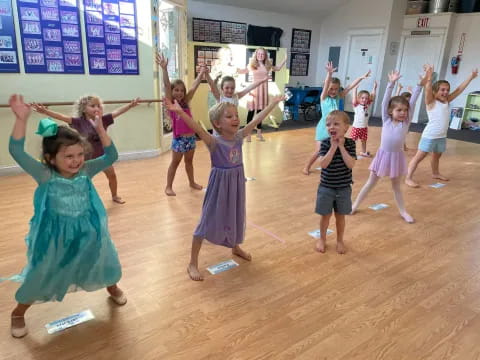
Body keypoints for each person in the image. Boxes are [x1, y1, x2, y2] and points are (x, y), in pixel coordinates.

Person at [4, 94, 125, 338]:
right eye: (68, 156)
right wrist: (21, 120)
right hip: (55, 237)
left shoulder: (86, 170)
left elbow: (111, 157)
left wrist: (100, 129)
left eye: (80, 155)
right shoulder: (44, 174)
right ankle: (18, 312)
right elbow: (15, 150)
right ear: (50, 158)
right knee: (43, 273)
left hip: (89, 231)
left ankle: (111, 286)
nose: (76, 161)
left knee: (102, 260)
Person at [164, 95, 284, 281]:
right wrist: (180, 112)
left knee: (236, 215)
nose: (235, 118)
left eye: (235, 115)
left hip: (236, 183)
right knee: (205, 221)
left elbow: (256, 119)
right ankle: (192, 263)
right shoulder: (214, 141)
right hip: (219, 186)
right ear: (217, 124)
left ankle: (235, 247)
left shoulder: (239, 136)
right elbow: (196, 128)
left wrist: (273, 104)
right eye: (229, 116)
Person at [351, 68, 428, 223]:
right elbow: (385, 101)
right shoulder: (386, 120)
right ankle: (354, 206)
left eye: (405, 110)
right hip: (382, 155)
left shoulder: (406, 123)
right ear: (390, 111)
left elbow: (412, 103)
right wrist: (391, 84)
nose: (403, 113)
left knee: (396, 187)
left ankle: (403, 211)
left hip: (396, 157)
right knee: (370, 183)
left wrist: (419, 86)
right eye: (399, 110)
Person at [31, 95, 139, 204]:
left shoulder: (104, 120)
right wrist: (45, 111)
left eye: (99, 106)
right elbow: (61, 116)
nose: (97, 108)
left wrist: (130, 105)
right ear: (83, 109)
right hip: (85, 159)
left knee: (112, 175)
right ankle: (81, 199)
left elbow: (117, 112)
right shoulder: (78, 122)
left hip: (103, 156)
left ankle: (115, 195)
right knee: (83, 181)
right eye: (92, 106)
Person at [405, 66, 478, 187]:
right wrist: (428, 79)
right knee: (419, 157)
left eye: (447, 90)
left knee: (437, 155)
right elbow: (427, 91)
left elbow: (459, 89)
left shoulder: (446, 101)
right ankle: (408, 177)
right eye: (442, 90)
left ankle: (435, 173)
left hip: (441, 136)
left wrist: (471, 77)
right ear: (435, 91)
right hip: (429, 136)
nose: (445, 92)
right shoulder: (431, 102)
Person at [302, 62, 370, 174]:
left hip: (335, 128)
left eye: (336, 89)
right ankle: (307, 166)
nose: (334, 91)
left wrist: (361, 78)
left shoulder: (338, 97)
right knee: (319, 151)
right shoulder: (324, 98)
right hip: (324, 128)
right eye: (331, 89)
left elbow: (349, 87)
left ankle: (333, 169)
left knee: (335, 148)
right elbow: (326, 85)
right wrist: (329, 74)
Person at [156, 53, 204, 196]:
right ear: (172, 91)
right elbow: (166, 84)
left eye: (182, 90)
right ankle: (168, 186)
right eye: (176, 90)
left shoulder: (185, 103)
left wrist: (201, 73)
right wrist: (164, 69)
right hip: (179, 140)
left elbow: (194, 87)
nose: (180, 93)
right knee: (175, 163)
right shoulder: (171, 103)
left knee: (189, 162)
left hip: (191, 139)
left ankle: (191, 182)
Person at [314, 110, 356, 254]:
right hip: (326, 187)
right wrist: (333, 147)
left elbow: (351, 164)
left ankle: (339, 240)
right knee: (325, 216)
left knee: (340, 216)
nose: (331, 127)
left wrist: (341, 147)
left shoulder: (350, 143)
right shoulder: (325, 143)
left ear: (346, 127)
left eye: (336, 124)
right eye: (328, 125)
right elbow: (323, 164)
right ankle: (322, 239)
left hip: (343, 188)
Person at [238, 48, 287, 141]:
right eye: (259, 54)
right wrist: (235, 69)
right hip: (254, 89)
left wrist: (285, 60)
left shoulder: (267, 65)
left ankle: (259, 134)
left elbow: (278, 68)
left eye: (262, 54)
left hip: (263, 90)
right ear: (256, 55)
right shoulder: (252, 64)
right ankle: (248, 134)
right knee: (251, 112)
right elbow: (243, 71)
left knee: (260, 113)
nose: (260, 55)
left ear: (265, 55)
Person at [351, 81, 377, 157]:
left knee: (364, 140)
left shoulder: (368, 105)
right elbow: (354, 98)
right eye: (362, 98)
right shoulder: (356, 105)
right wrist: (355, 90)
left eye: (366, 98)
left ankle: (364, 152)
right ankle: (351, 152)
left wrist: (374, 88)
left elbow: (372, 96)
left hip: (364, 127)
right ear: (359, 99)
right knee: (353, 141)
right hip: (356, 127)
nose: (364, 99)